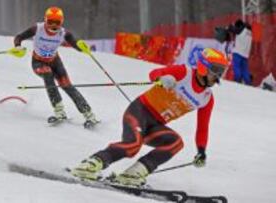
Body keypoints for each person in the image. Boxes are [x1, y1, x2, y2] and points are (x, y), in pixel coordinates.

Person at [70, 48, 229, 187]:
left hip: (155, 125)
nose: (218, 76)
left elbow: (203, 127)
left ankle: (133, 174)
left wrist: (201, 151)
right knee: (133, 145)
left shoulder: (207, 98)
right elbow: (154, 73)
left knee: (176, 143)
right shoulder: (184, 72)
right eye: (215, 70)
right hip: (139, 112)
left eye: (221, 71)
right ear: (202, 66)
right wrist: (161, 78)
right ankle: (91, 164)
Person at [13, 6, 98, 127]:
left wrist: (82, 47)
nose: (53, 25)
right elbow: (19, 37)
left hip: (55, 62)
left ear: (61, 22)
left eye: (57, 22)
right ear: (45, 20)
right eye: (50, 21)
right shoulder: (37, 28)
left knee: (67, 85)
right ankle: (59, 112)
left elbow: (75, 43)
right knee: (47, 73)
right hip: (38, 62)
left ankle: (89, 115)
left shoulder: (64, 33)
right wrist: (18, 46)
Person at [231, 19, 252, 85]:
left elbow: (233, 29)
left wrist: (230, 26)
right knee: (245, 69)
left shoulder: (241, 29)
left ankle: (237, 80)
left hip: (238, 52)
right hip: (245, 54)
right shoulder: (250, 32)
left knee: (236, 67)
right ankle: (248, 82)